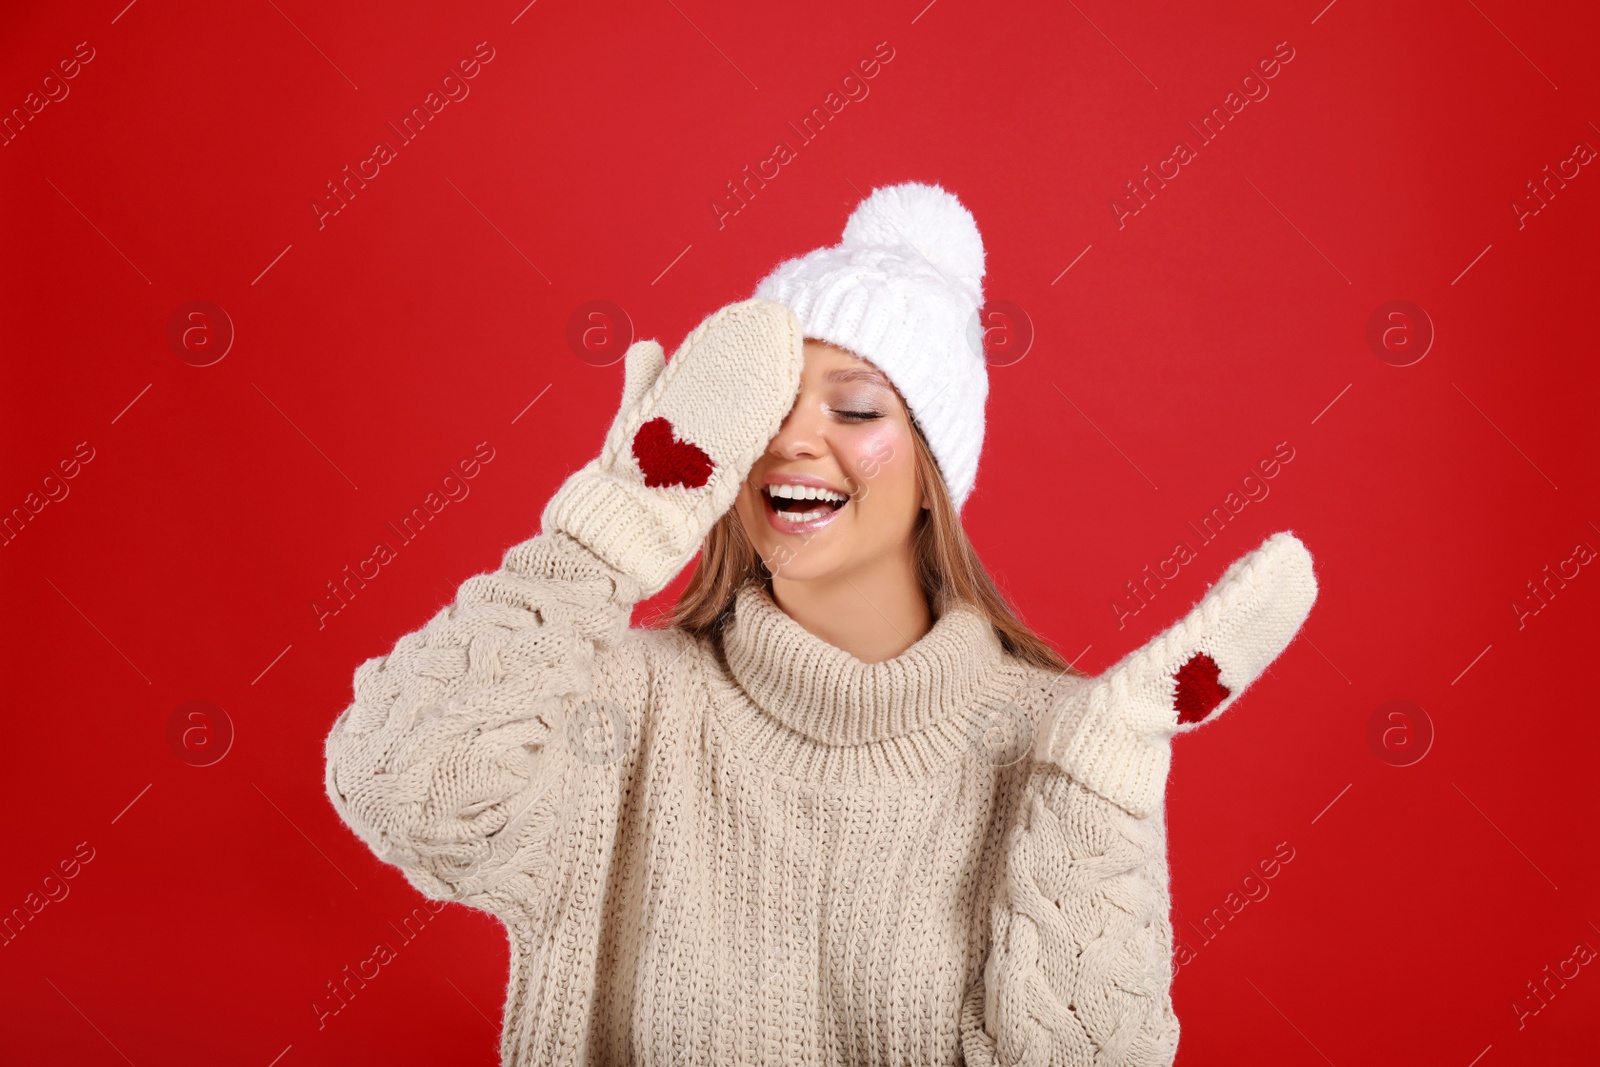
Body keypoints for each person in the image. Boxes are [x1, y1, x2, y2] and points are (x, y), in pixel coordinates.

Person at [322, 182, 1319, 1066]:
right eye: (769, 410)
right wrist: (606, 534)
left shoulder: (1054, 743)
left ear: (936, 475)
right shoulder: (616, 705)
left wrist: (1101, 775)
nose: (796, 439)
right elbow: (401, 786)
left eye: (855, 410)